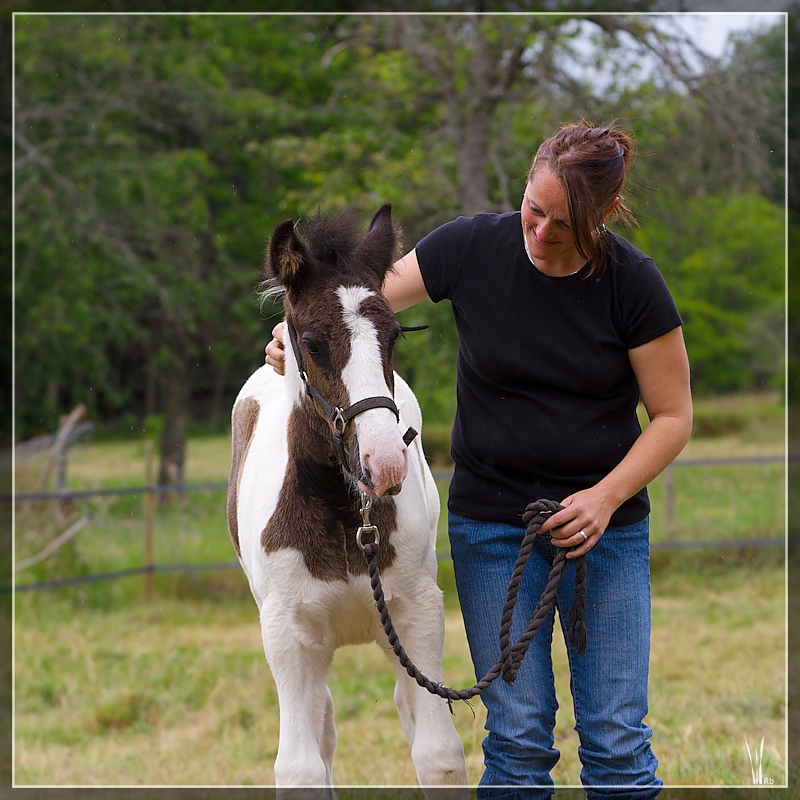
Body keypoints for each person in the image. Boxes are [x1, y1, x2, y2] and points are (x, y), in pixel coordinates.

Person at [264, 120, 693, 800]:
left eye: (566, 222)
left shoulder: (634, 285)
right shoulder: (469, 247)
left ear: (606, 214)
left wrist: (605, 497)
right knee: (518, 738)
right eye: (535, 209)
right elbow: (354, 306)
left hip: (604, 533)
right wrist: (293, 339)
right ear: (523, 187)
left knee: (616, 741)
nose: (543, 232)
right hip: (495, 528)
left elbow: (673, 418)